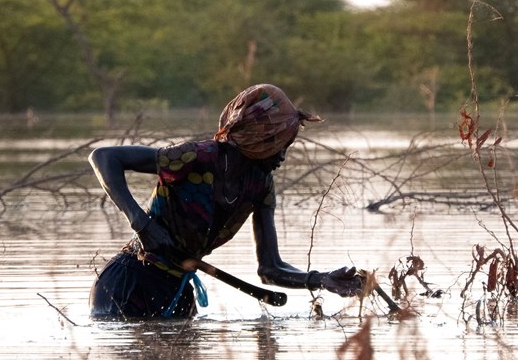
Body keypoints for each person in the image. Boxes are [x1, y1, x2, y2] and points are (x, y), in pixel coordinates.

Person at [88, 84, 362, 318]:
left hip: (178, 291)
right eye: (280, 145)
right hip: (129, 283)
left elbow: (270, 270)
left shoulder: (261, 185)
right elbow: (103, 157)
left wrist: (320, 279)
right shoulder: (196, 157)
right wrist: (142, 224)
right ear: (260, 138)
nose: (282, 157)